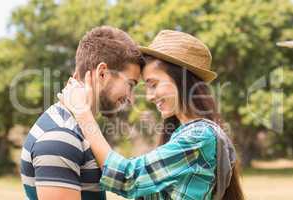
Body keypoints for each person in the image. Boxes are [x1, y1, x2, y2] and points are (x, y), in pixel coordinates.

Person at [58, 30, 245, 200]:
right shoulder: (183, 134)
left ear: (182, 81)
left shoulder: (199, 136)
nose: (148, 96)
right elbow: (144, 191)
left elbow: (129, 178)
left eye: (153, 84)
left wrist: (83, 114)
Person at [20, 26, 145, 200]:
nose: (131, 98)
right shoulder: (61, 136)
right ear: (102, 73)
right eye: (130, 84)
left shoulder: (78, 126)